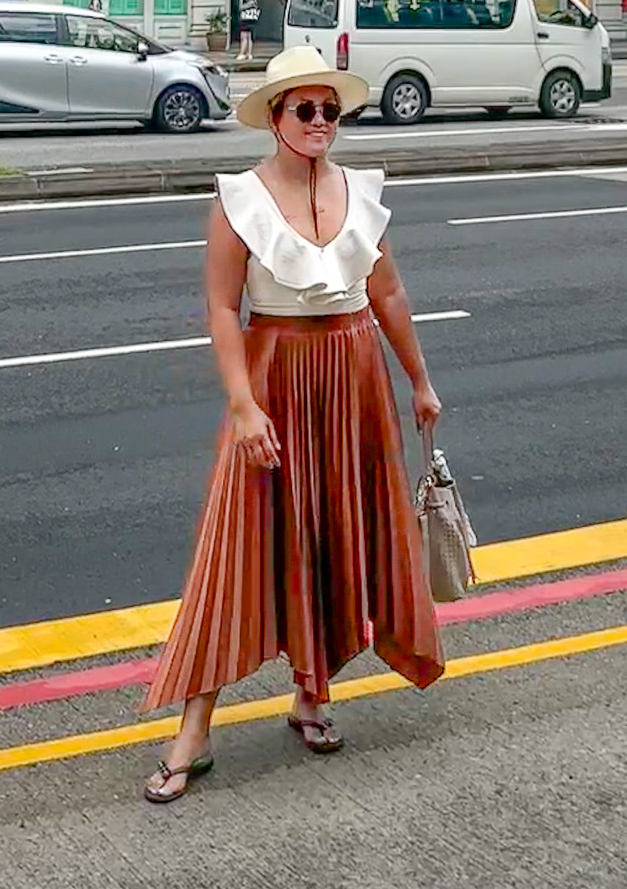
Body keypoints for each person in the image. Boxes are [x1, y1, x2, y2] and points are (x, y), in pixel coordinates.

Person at [141, 44, 444, 804]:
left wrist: (419, 379)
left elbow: (391, 294)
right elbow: (220, 307)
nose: (319, 124)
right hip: (276, 372)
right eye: (304, 110)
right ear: (274, 118)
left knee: (338, 533)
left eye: (329, 112)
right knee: (238, 546)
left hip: (354, 373)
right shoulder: (237, 197)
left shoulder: (361, 193)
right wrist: (243, 403)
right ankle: (193, 731)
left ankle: (313, 693)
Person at [235, 0, 259, 64]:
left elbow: (241, 8)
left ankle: (242, 53)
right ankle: (249, 53)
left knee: (244, 37)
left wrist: (240, 0)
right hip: (251, 20)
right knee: (249, 37)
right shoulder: (254, 1)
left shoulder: (250, 2)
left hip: (246, 20)